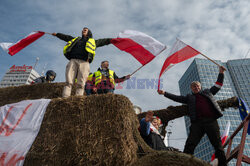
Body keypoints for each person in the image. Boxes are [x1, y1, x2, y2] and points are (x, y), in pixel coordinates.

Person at [158, 65, 227, 166]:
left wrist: (221, 72)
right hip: (197, 123)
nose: (196, 87)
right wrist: (164, 93)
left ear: (200, 87)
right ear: (191, 89)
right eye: (194, 86)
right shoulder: (189, 97)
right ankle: (185, 163)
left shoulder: (208, 92)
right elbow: (177, 98)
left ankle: (222, 164)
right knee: (190, 144)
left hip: (211, 121)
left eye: (197, 86)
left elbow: (218, 85)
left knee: (217, 144)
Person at [51, 27, 112, 97]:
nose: (83, 31)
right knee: (69, 81)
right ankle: (65, 97)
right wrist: (57, 34)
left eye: (85, 30)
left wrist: (112, 40)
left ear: (89, 32)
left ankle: (78, 98)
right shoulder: (76, 39)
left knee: (81, 82)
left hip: (84, 62)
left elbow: (104, 41)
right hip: (73, 60)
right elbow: (66, 37)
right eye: (83, 30)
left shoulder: (93, 41)